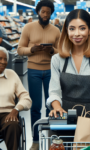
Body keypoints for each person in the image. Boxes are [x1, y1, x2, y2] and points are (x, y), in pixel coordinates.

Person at [47, 9, 90, 131]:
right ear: (66, 31)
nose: (76, 34)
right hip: (63, 119)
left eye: (82, 28)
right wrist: (57, 107)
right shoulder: (57, 59)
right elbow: (54, 92)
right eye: (72, 29)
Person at [17, 0, 60, 149]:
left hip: (51, 71)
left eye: (48, 12)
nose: (45, 15)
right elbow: (19, 49)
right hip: (33, 70)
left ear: (51, 13)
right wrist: (32, 50)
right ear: (38, 12)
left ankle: (50, 138)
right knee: (35, 106)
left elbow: (61, 52)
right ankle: (35, 140)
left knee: (51, 106)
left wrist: (52, 51)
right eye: (43, 12)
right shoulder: (28, 28)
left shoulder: (56, 30)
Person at [0, 47, 32, 150]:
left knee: (13, 125)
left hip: (8, 114)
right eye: (0, 58)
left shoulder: (12, 74)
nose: (3, 62)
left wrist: (16, 110)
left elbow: (26, 98)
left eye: (5, 59)